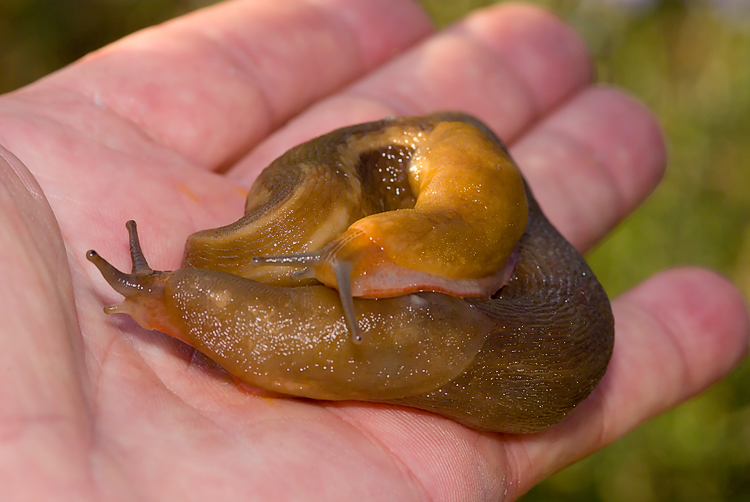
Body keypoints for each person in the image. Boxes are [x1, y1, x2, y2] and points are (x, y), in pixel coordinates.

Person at [0, 1, 746, 500]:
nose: (345, 268)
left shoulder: (497, 259)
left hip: (503, 300)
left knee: (408, 326)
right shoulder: (427, 168)